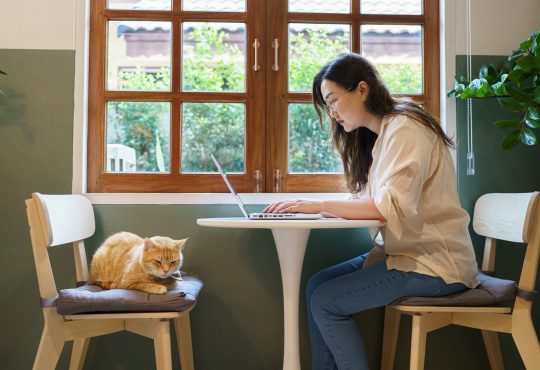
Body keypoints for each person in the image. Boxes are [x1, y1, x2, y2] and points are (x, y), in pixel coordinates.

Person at [263, 53, 479, 370]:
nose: (332, 111)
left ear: (362, 89)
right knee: (316, 286)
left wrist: (319, 205)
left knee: (326, 301)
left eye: (334, 99)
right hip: (407, 255)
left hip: (435, 264)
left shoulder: (406, 128)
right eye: (328, 104)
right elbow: (375, 204)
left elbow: (383, 209)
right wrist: (312, 206)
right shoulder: (382, 136)